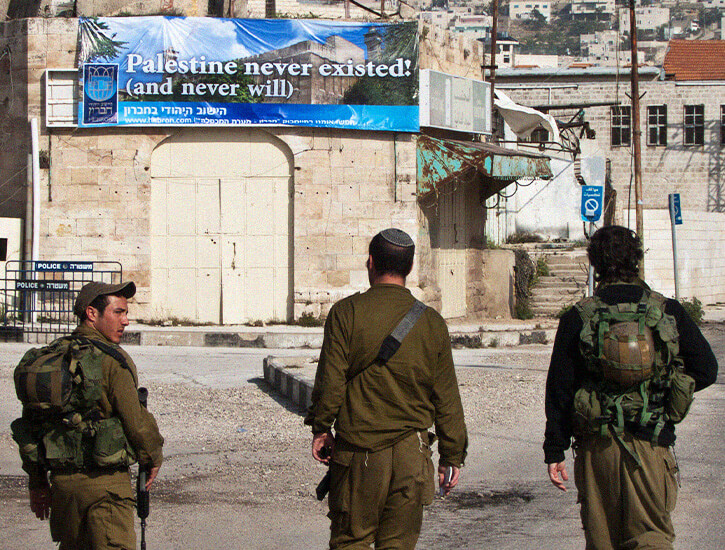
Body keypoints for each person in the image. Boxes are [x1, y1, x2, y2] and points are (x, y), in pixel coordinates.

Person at [544, 225, 718, 549]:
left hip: (598, 450)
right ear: (637, 260)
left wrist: (554, 449)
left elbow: (559, 389)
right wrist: (665, 386)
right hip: (652, 445)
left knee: (602, 541)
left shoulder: (579, 316)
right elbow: (707, 369)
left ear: (595, 263)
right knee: (652, 539)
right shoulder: (667, 311)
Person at [305, 228, 468, 550]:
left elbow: (331, 381)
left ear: (370, 263)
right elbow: (447, 397)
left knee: (351, 541)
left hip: (358, 453)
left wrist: (322, 428)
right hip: (412, 454)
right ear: (409, 268)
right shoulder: (432, 322)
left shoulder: (345, 313)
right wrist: (452, 454)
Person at [14, 281, 164, 550]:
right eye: (118, 312)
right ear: (92, 314)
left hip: (64, 492)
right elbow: (137, 422)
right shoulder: (112, 360)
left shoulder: (52, 358)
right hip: (106, 491)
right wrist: (153, 456)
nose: (126, 321)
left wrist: (37, 483)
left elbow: (30, 428)